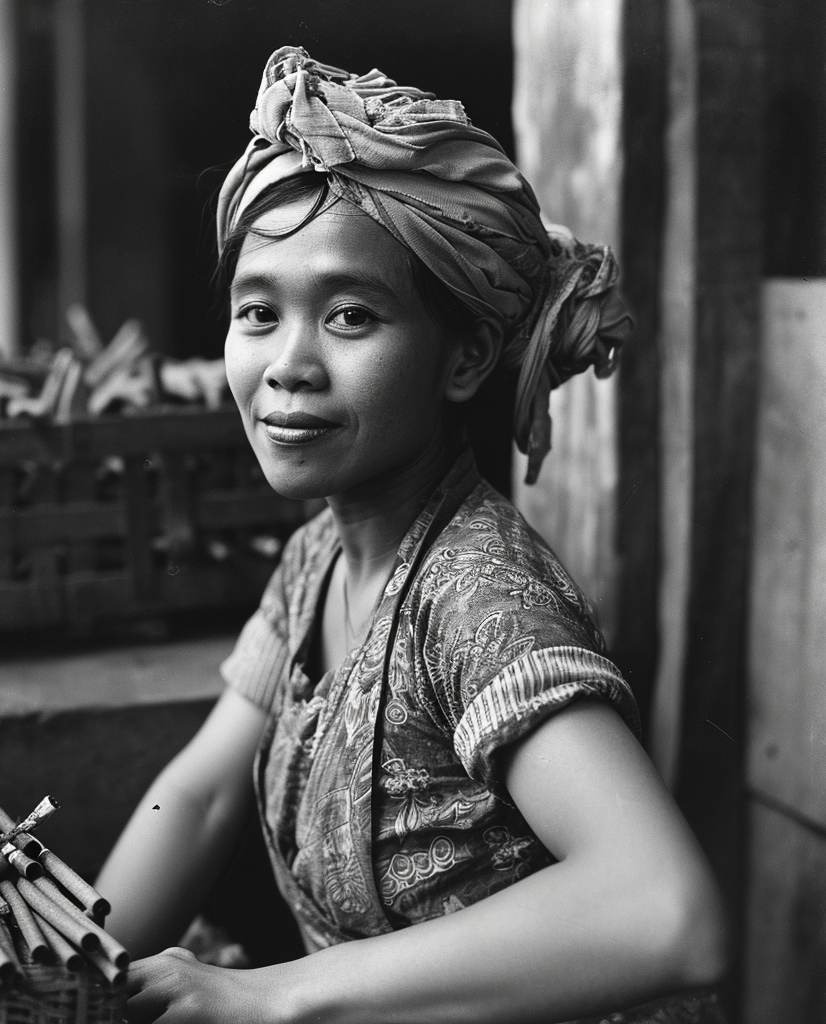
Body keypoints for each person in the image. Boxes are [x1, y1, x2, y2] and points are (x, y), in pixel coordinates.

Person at [97, 46, 729, 1024]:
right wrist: (67, 968)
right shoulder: (320, 556)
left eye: (351, 315)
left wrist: (267, 999)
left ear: (465, 356)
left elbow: (667, 912)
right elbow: (204, 795)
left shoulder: (479, 592)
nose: (288, 365)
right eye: (257, 310)